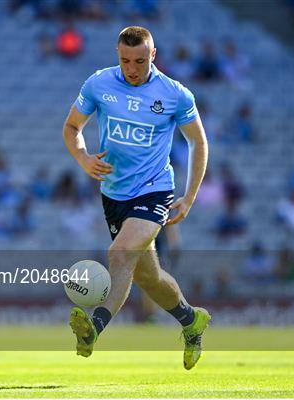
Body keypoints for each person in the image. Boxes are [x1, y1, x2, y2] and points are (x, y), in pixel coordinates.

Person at [62, 26, 210, 370]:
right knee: (147, 277)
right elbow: (72, 127)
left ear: (153, 56)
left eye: (140, 60)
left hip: (155, 189)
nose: (132, 68)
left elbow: (198, 142)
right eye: (125, 60)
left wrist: (188, 197)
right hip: (114, 194)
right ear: (117, 55)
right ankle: (191, 321)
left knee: (119, 254)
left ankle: (93, 328)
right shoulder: (98, 84)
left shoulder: (175, 94)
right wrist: (83, 158)